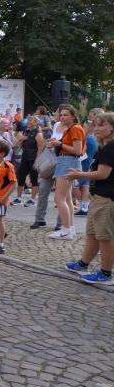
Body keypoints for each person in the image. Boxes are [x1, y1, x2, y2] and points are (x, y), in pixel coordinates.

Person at [65, 112, 114, 285]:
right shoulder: (105, 146)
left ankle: (106, 274)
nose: (96, 128)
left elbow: (102, 174)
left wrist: (79, 174)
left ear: (112, 128)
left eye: (101, 125)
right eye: (96, 125)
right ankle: (83, 264)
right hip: (99, 197)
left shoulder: (110, 147)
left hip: (106, 198)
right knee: (93, 234)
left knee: (105, 237)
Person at [47, 104, 85, 240]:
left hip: (68, 161)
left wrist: (60, 144)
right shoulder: (72, 128)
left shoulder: (75, 129)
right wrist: (57, 143)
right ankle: (70, 229)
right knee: (67, 198)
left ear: (73, 116)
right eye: (61, 115)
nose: (62, 117)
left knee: (59, 198)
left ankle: (66, 230)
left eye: (66, 115)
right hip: (66, 160)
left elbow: (77, 151)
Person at [12, 115, 40, 206]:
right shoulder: (26, 132)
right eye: (28, 120)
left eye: (31, 120)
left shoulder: (38, 133)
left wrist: (37, 161)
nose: (28, 122)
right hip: (24, 157)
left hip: (33, 158)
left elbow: (40, 149)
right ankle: (19, 198)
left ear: (36, 123)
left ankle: (33, 199)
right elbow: (17, 145)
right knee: (21, 177)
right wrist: (21, 139)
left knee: (34, 178)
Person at [73, 119, 98, 216]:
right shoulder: (93, 139)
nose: (82, 128)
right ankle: (85, 207)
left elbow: (82, 152)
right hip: (87, 164)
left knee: (74, 186)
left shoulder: (88, 139)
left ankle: (86, 205)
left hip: (83, 164)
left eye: (84, 126)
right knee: (85, 186)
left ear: (88, 128)